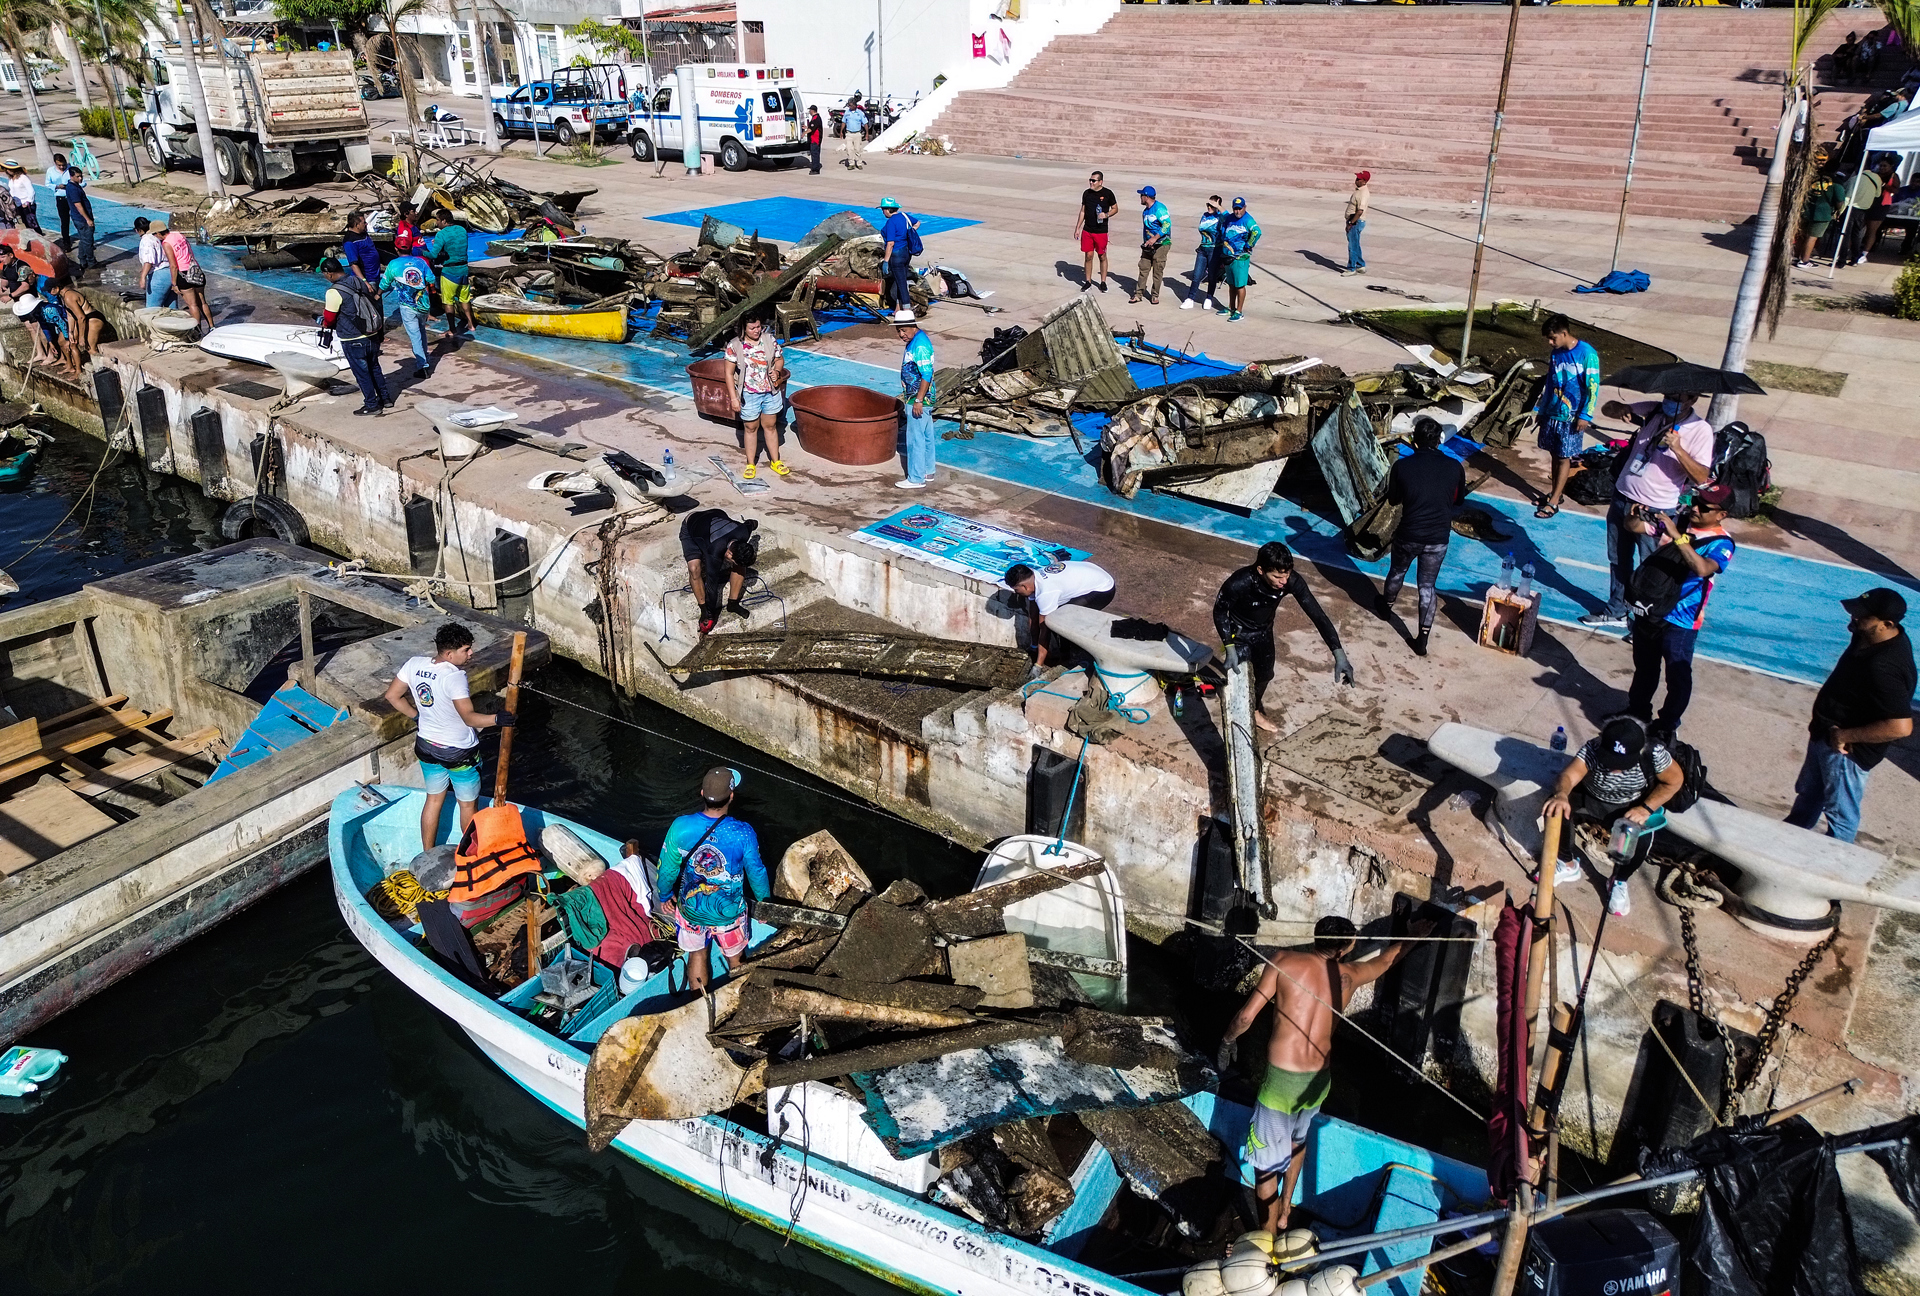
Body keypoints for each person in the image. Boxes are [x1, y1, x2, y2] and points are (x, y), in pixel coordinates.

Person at [1217, 915, 1431, 1233]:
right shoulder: (1348, 976)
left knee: (1264, 1171)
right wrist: (1416, 934)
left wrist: (1226, 1041)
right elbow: (1388, 959)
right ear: (1346, 947)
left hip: (1280, 1086)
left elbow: (1247, 1016)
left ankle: (1267, 1241)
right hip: (1318, 1082)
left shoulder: (1282, 961)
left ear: (1317, 938)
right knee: (1297, 1141)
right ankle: (1287, 1207)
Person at [1786, 589, 1915, 844]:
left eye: (1862, 615)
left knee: (1840, 817)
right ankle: (1789, 839)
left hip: (1846, 752)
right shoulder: (1866, 634)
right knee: (1808, 796)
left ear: (1886, 624)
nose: (1854, 617)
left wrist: (1844, 735)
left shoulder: (1885, 667)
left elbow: (1901, 727)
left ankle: (1833, 866)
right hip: (1826, 734)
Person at [1581, 392, 1713, 629]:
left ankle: (1647, 621)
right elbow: (1608, 409)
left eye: (1677, 397)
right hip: (1623, 497)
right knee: (1618, 558)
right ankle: (1617, 610)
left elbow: (1702, 476)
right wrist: (1619, 407)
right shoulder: (1655, 411)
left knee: (1650, 566)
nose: (1671, 401)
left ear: (1691, 400)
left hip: (1656, 508)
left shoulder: (1700, 430)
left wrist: (1679, 449)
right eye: (1668, 395)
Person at [381, 621, 514, 853]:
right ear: (450, 653)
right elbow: (470, 719)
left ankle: (427, 853)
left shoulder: (414, 664)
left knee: (433, 800)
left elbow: (392, 696)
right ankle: (472, 857)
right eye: (466, 650)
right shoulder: (455, 677)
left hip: (426, 745)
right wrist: (497, 720)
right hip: (459, 753)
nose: (471, 653)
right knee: (467, 807)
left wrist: (416, 717)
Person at [1626, 482, 1735, 743]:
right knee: (1644, 669)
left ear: (1721, 515)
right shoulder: (1678, 521)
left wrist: (1678, 536)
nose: (1696, 508)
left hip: (1682, 621)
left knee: (1677, 676)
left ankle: (1667, 724)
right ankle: (1637, 712)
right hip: (1652, 611)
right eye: (1695, 502)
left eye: (1705, 507)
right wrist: (1632, 517)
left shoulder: (1722, 544)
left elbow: (1702, 569)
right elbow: (1635, 528)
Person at [1543, 715, 1685, 915]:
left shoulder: (1653, 752)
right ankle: (1567, 864)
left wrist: (1646, 808)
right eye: (1610, 759)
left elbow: (1674, 780)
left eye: (1622, 762)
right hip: (1590, 795)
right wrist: (1561, 794)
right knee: (1556, 808)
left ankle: (1618, 880)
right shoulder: (1593, 747)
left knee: (1641, 839)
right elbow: (1568, 775)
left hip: (1629, 804)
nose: (1614, 767)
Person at [1214, 541, 1351, 730]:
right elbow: (1219, 612)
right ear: (1261, 570)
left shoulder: (1291, 580)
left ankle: (1253, 710)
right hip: (1239, 635)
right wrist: (1228, 646)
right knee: (1241, 680)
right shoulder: (1240, 582)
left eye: (1286, 574)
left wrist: (1339, 654)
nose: (1284, 581)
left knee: (1265, 675)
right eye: (1277, 576)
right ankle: (1240, 721)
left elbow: (1317, 615)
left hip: (1263, 631)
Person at [656, 767, 770, 991]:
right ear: (731, 796)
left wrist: (665, 894)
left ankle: (698, 1003)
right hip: (728, 913)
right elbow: (757, 871)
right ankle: (740, 997)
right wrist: (764, 903)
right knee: (736, 959)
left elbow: (667, 867)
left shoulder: (681, 826)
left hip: (691, 909)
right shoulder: (743, 833)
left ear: (701, 794)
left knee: (697, 954)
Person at [1377, 417, 1465, 656]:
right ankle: (1422, 640)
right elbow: (1458, 500)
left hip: (1409, 534)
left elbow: (1394, 499)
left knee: (1397, 572)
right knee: (1427, 586)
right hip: (1438, 538)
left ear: (1414, 439)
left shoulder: (1402, 467)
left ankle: (1386, 609)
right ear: (1439, 441)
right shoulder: (1455, 467)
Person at [1533, 314, 1600, 519]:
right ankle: (1556, 492)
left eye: (1553, 338)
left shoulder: (1587, 354)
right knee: (1554, 453)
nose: (1551, 343)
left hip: (1572, 417)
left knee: (1564, 457)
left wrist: (1585, 415)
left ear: (1564, 333)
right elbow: (1551, 383)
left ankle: (1554, 502)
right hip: (1553, 412)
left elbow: (1593, 387)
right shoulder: (1555, 354)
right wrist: (1542, 410)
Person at [1004, 559, 1115, 671]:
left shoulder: (1045, 592)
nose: (1016, 593)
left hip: (1103, 589)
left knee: (1061, 620)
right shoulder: (1034, 578)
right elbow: (1033, 617)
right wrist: (1033, 647)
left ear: (1025, 587)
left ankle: (1070, 658)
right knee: (1058, 616)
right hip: (1091, 573)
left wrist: (1038, 665)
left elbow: (1045, 630)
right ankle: (1064, 654)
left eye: (1016, 590)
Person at [318, 257, 390, 415]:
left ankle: (371, 405)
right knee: (374, 368)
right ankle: (386, 399)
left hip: (352, 338)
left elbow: (329, 319)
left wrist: (323, 322)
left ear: (329, 274)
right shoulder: (357, 280)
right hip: (372, 333)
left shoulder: (333, 292)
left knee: (362, 373)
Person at [724, 316, 788, 480]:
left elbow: (779, 359)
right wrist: (733, 398)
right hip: (749, 395)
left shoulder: (769, 340)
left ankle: (776, 461)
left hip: (769, 392)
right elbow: (729, 374)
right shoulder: (734, 346)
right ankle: (751, 463)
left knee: (771, 426)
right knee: (750, 428)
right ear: (744, 328)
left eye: (759, 327)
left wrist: (777, 371)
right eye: (753, 328)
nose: (757, 331)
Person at [680, 507, 760, 636]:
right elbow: (712, 584)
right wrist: (709, 614)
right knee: (694, 568)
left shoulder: (744, 532)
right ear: (728, 554)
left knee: (740, 564)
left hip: (716, 514)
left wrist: (755, 536)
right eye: (731, 560)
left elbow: (752, 523)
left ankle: (733, 604)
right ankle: (702, 608)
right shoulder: (714, 551)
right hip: (691, 526)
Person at [379, 242, 436, 380]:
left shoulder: (393, 264)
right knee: (421, 330)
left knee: (415, 335)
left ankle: (423, 366)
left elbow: (385, 283)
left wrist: (377, 294)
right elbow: (431, 278)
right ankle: (425, 358)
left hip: (407, 305)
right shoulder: (420, 261)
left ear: (396, 249)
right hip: (424, 304)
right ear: (411, 248)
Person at [895, 307, 936, 490]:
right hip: (918, 395)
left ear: (913, 326)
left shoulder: (919, 345)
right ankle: (928, 470)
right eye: (899, 331)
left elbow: (926, 374)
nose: (901, 334)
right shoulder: (916, 340)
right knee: (926, 435)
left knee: (915, 438)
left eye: (904, 330)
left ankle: (916, 477)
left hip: (919, 398)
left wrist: (918, 400)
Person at [424, 212, 475, 344]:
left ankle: (452, 329)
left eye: (438, 220)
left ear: (444, 221)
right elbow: (455, 247)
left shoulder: (441, 234)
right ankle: (471, 324)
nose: (437, 223)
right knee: (465, 299)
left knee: (448, 302)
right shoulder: (462, 230)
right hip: (464, 270)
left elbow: (433, 255)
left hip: (450, 272)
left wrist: (420, 252)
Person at [160, 220, 216, 333]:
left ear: (158, 233)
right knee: (203, 302)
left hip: (183, 274)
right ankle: (212, 327)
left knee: (192, 305)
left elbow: (173, 265)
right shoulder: (179, 234)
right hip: (194, 269)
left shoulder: (166, 243)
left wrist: (174, 283)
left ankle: (197, 331)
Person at [1129, 184, 1172, 306]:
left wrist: (1154, 238)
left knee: (1157, 271)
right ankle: (1138, 294)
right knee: (1143, 268)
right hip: (1148, 245)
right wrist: (1146, 242)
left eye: (1141, 195)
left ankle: (1154, 295)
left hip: (1161, 244)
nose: (1140, 198)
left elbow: (1167, 225)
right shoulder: (1145, 211)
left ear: (1146, 197)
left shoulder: (1159, 209)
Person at [1074, 170, 1117, 292]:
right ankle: (1088, 281)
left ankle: (1103, 282)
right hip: (1088, 230)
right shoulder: (1087, 194)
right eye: (1090, 180)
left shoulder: (1108, 194)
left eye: (1094, 180)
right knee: (1088, 256)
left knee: (1102, 255)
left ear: (1100, 181)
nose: (1091, 182)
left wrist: (1106, 215)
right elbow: (1083, 211)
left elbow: (1115, 208)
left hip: (1101, 231)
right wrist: (1077, 228)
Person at [1219, 197, 1261, 322]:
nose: (1237, 211)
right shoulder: (1230, 218)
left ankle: (1239, 310)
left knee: (1239, 285)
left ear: (1245, 208)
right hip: (1229, 256)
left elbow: (1257, 232)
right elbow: (1224, 218)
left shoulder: (1248, 220)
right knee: (1231, 284)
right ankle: (1231, 307)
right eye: (1235, 209)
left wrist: (1249, 245)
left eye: (1240, 209)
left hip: (1240, 257)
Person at [1183, 195, 1225, 312]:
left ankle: (1209, 298)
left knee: (1212, 275)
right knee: (1196, 275)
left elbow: (1227, 218)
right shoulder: (1205, 216)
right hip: (1203, 248)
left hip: (1214, 249)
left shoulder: (1220, 217)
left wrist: (1219, 207)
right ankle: (1190, 298)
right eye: (1208, 205)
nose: (1209, 207)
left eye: (1212, 205)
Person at [1841, 160, 1887, 267]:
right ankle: (1854, 259)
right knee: (1857, 235)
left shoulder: (1854, 179)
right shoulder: (1876, 178)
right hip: (1863, 210)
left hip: (1851, 209)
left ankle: (1841, 260)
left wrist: (1840, 212)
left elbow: (1847, 196)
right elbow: (1877, 194)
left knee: (1845, 235)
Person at [1796, 171, 1846, 268]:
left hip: (1806, 210)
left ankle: (1796, 256)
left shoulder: (1812, 178)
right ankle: (1804, 261)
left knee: (1802, 235)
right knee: (1812, 237)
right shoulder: (1837, 184)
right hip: (1823, 213)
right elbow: (1840, 201)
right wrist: (1838, 210)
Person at [54, 276, 106, 365]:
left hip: (93, 319)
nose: (47, 293)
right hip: (87, 319)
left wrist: (81, 337)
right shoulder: (64, 297)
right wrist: (70, 332)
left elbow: (81, 318)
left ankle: (103, 369)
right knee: (80, 346)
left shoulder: (69, 297)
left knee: (90, 348)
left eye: (49, 290)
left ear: (57, 288)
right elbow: (70, 315)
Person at [879, 196, 918, 312]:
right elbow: (917, 223)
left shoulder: (891, 222)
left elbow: (890, 244)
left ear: (887, 210)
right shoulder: (904, 216)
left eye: (883, 209)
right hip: (906, 253)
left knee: (901, 283)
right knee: (900, 280)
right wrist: (910, 232)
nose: (883, 212)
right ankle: (897, 309)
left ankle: (906, 310)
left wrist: (886, 261)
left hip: (896, 255)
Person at [134, 216, 176, 309]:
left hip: (159, 276)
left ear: (138, 230)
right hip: (169, 272)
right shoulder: (156, 236)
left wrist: (143, 277)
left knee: (152, 309)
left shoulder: (146, 240)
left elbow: (149, 261)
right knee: (172, 308)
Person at [63, 166, 94, 275]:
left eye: (81, 176)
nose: (80, 178)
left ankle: (82, 259)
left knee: (83, 239)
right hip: (81, 219)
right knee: (88, 241)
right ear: (71, 176)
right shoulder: (73, 189)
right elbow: (78, 205)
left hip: (79, 218)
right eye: (78, 176)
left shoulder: (74, 186)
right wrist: (88, 219)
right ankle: (91, 261)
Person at [342, 211, 381, 284]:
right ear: (357, 225)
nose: (366, 224)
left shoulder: (363, 233)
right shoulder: (350, 242)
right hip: (367, 281)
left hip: (375, 277)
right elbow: (353, 265)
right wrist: (365, 282)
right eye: (364, 222)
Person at [1343, 170, 1370, 276]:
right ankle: (1360, 265)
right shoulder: (1359, 190)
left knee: (1352, 246)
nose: (1356, 180)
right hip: (1354, 220)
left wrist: (1351, 223)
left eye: (1359, 179)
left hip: (1356, 222)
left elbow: (1360, 210)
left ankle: (1351, 268)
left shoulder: (1363, 193)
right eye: (1357, 178)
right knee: (1355, 244)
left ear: (1364, 181)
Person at [4, 161, 40, 233]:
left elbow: (31, 191)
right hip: (17, 204)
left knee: (32, 224)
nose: (9, 171)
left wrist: (27, 202)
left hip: (26, 204)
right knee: (25, 223)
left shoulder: (23, 178)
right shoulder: (11, 179)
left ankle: (39, 238)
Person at [46, 154, 71, 244]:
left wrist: (70, 186)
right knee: (64, 221)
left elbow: (82, 182)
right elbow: (48, 184)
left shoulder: (71, 169)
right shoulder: (50, 171)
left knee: (79, 219)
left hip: (72, 197)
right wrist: (57, 186)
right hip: (60, 197)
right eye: (59, 165)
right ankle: (66, 242)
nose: (61, 167)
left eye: (63, 165)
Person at [841, 99, 867, 169]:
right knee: (849, 149)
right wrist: (841, 131)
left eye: (851, 105)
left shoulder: (860, 113)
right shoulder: (847, 112)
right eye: (849, 105)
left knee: (857, 149)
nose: (849, 107)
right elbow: (843, 122)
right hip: (849, 133)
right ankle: (851, 163)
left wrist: (867, 133)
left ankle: (859, 163)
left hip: (857, 134)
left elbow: (865, 123)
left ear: (855, 105)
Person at [806, 106, 824, 175]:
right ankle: (815, 166)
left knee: (815, 154)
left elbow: (812, 128)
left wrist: (804, 133)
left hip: (815, 140)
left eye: (810, 110)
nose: (809, 112)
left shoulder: (816, 118)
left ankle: (815, 169)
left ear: (812, 110)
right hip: (814, 139)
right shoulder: (814, 118)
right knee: (814, 154)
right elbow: (811, 126)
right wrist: (807, 127)